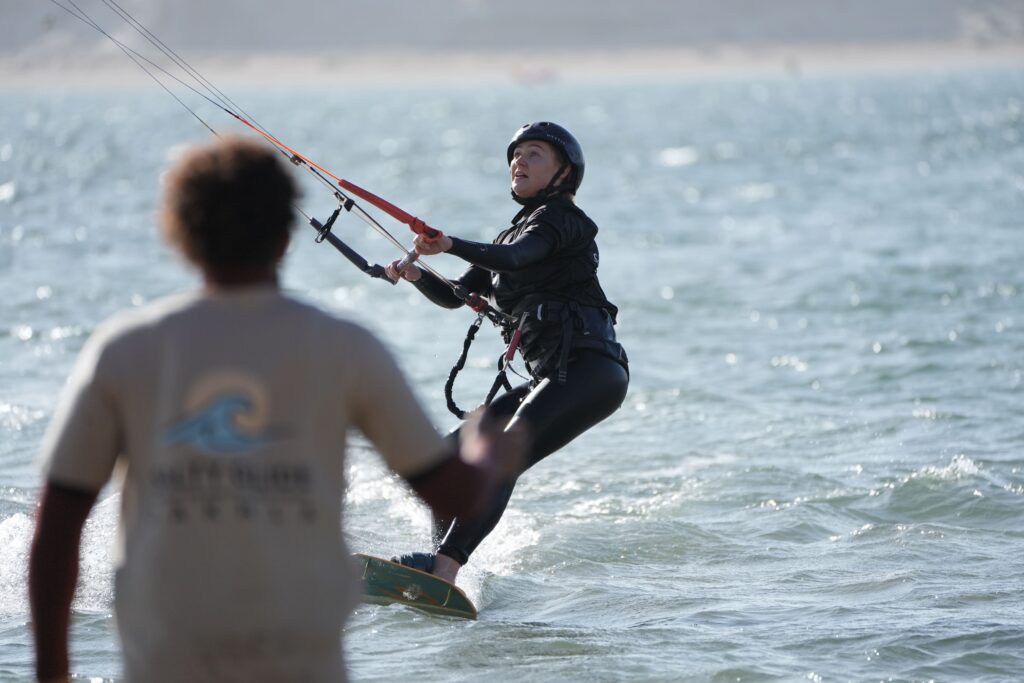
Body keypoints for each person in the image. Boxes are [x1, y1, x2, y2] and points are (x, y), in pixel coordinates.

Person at [28, 135, 518, 683]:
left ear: (177, 234)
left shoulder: (124, 349)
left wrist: (52, 671)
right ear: (286, 237)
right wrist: (489, 441)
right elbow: (450, 494)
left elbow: (58, 527)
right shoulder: (345, 348)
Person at [384, 121, 629, 585]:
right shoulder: (509, 236)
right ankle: (441, 561)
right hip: (552, 374)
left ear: (564, 174)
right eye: (516, 155)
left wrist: (451, 244)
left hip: (590, 369)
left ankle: (446, 568)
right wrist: (416, 276)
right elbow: (458, 296)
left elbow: (519, 258)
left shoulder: (562, 220)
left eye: (534, 154)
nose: (519, 161)